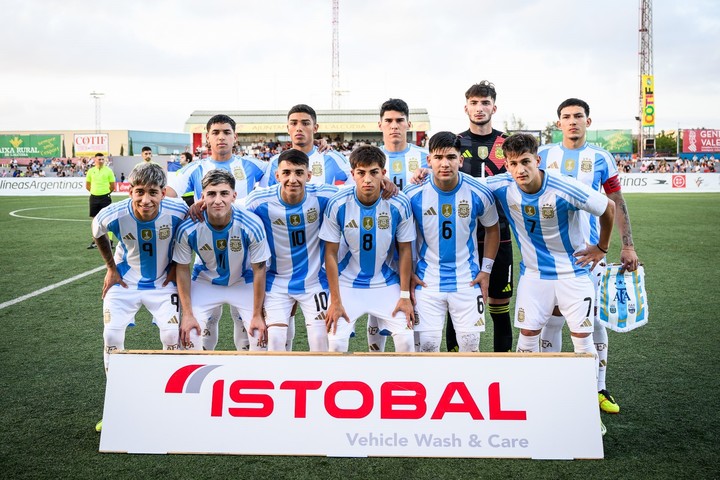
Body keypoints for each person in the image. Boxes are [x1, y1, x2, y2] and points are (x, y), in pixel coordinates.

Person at [485, 133, 615, 435]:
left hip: (573, 275)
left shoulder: (563, 187)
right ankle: (528, 403)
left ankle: (586, 411)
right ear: (506, 165)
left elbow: (608, 207)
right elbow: (463, 186)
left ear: (537, 160)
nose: (520, 170)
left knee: (582, 341)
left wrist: (602, 247)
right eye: (513, 164)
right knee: (527, 336)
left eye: (526, 162)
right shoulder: (503, 186)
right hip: (534, 277)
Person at [538, 98, 639, 415]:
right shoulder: (543, 156)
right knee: (551, 320)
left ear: (588, 122)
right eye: (566, 117)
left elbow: (616, 201)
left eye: (578, 116)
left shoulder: (600, 158)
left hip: (590, 254)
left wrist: (627, 244)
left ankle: (598, 386)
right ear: (558, 124)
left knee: (593, 319)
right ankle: (550, 384)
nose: (572, 121)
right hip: (550, 256)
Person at [91, 162, 188, 432]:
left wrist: (175, 265)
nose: (146, 200)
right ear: (130, 190)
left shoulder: (178, 209)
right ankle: (116, 404)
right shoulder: (113, 213)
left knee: (171, 336)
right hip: (125, 282)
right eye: (140, 192)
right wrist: (111, 267)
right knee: (111, 336)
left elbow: (189, 235)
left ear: (163, 192)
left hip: (162, 283)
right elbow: (97, 231)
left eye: (153, 192)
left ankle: (173, 402)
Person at [166, 114, 268, 350]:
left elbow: (286, 169)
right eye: (215, 133)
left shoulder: (253, 165)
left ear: (235, 137)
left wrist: (318, 148)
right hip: (207, 268)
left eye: (226, 132)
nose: (221, 137)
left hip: (243, 269)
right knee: (200, 331)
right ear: (207, 137)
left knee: (249, 334)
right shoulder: (195, 169)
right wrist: (184, 209)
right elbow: (169, 193)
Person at [404, 132, 500, 352]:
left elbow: (492, 230)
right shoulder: (413, 194)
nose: (444, 164)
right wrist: (408, 273)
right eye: (438, 158)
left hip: (468, 280)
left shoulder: (478, 192)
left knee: (470, 346)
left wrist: (486, 271)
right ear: (428, 160)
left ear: (461, 160)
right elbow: (403, 239)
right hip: (427, 282)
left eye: (451, 157)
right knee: (427, 348)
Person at [320, 145, 415, 352]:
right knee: (335, 344)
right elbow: (330, 254)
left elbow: (406, 250)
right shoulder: (338, 203)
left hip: (386, 282)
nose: (368, 179)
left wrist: (405, 296)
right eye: (361, 173)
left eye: (374, 172)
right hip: (347, 284)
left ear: (383, 173)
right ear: (352, 174)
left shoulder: (400, 203)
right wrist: (335, 300)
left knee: (407, 340)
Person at [245, 149, 337, 351]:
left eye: (298, 172)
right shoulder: (258, 201)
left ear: (308, 176)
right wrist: (202, 205)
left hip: (314, 281)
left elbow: (356, 193)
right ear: (277, 176)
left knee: (321, 341)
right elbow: (231, 211)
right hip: (276, 282)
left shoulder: (324, 195)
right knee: (276, 341)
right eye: (286, 173)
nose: (292, 179)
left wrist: (384, 184)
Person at [174, 170, 270, 352]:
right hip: (205, 282)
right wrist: (187, 314)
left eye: (224, 193)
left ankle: (250, 379)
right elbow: (182, 269)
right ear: (202, 197)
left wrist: (257, 314)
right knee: (190, 336)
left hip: (242, 281)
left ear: (234, 196)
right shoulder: (188, 227)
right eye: (211, 194)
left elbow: (259, 270)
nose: (218, 200)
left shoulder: (252, 224)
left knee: (258, 337)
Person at [365, 98, 429, 352]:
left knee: (413, 304)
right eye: (389, 121)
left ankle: (413, 369)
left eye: (399, 121)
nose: (394, 126)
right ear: (380, 124)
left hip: (419, 245)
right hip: (381, 245)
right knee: (377, 303)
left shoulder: (425, 158)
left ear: (408, 124)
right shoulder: (370, 160)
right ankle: (375, 360)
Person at [260, 104, 353, 187]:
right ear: (288, 128)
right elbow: (265, 196)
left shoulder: (331, 157)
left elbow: (356, 181)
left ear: (315, 128)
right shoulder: (276, 162)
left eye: (305, 123)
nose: (299, 128)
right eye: (293, 123)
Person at [85, 153, 116, 249]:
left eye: (103, 159)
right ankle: (95, 241)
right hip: (94, 197)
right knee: (95, 220)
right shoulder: (91, 171)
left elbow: (112, 186)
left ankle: (110, 241)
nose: (101, 161)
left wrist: (105, 193)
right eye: (99, 159)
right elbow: (87, 185)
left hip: (105, 197)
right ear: (95, 160)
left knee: (108, 219)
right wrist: (95, 192)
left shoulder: (109, 171)